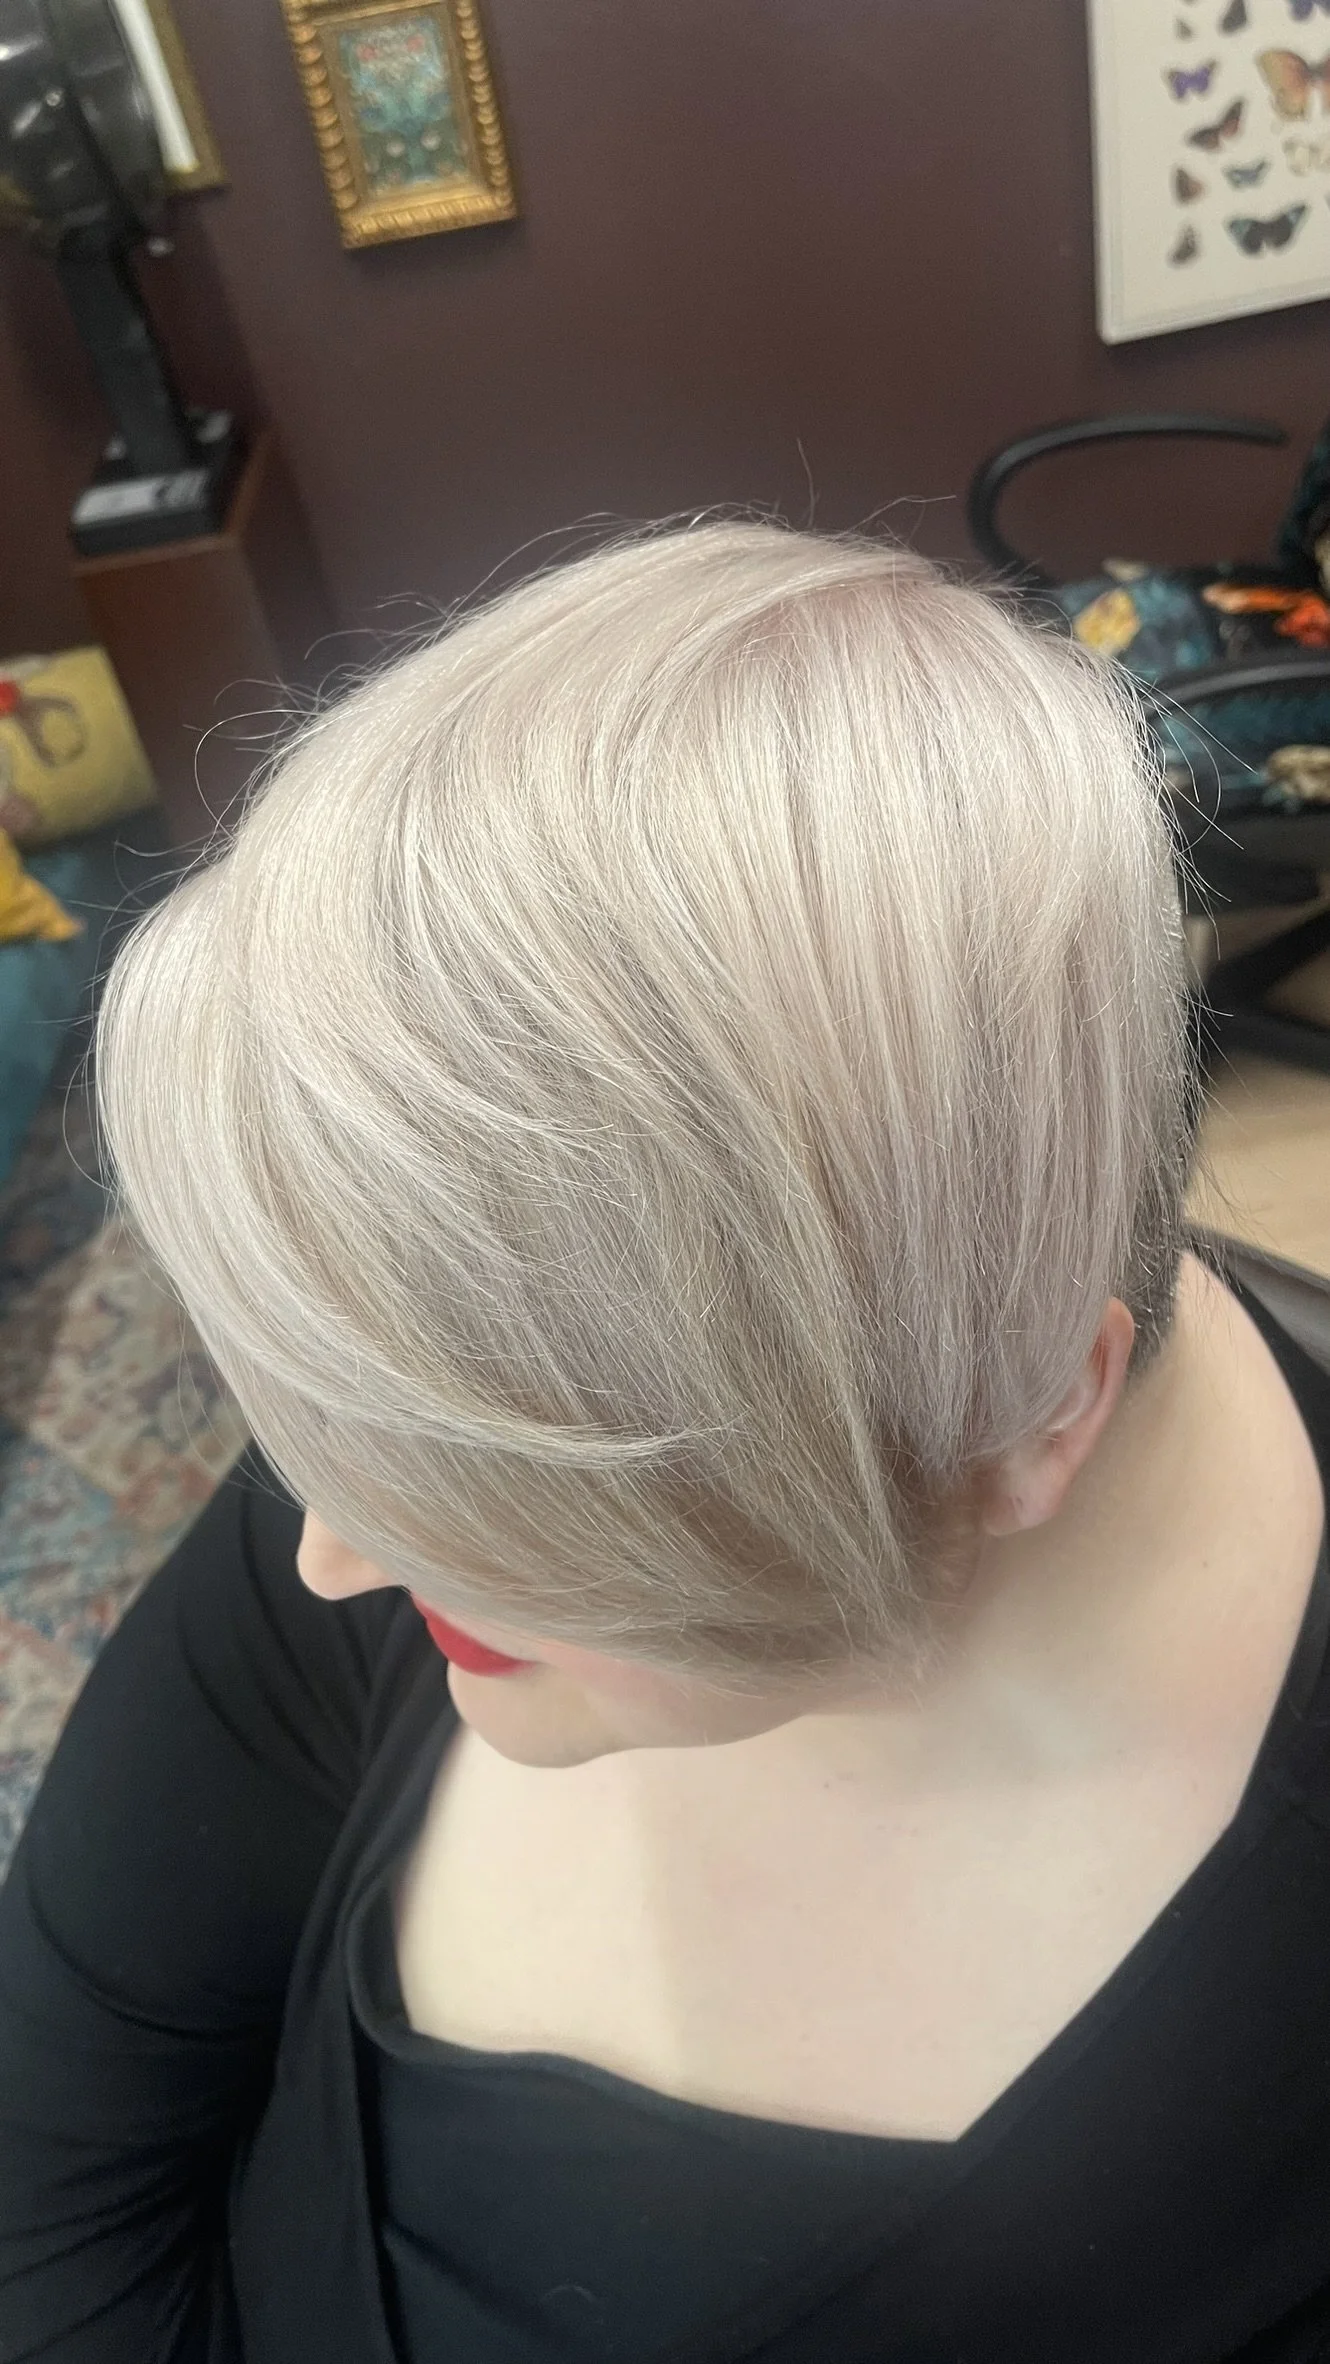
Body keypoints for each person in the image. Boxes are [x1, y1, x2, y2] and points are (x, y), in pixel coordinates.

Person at [1, 518, 1328, 2364]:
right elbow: (50, 2151)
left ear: (1031, 1419)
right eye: (323, 1435)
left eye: (504, 1504)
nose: (328, 1552)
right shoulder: (457, 1410)